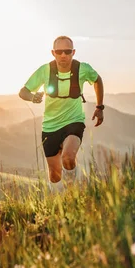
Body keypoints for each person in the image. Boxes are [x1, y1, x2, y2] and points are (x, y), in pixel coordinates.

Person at [19, 35, 104, 192]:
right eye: (59, 51)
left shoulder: (82, 69)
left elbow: (97, 80)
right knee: (54, 175)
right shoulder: (45, 70)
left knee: (68, 158)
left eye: (67, 51)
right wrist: (32, 97)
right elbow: (23, 92)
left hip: (74, 121)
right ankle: (58, 203)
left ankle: (73, 192)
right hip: (50, 126)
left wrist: (99, 107)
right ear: (53, 53)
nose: (63, 55)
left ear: (73, 52)